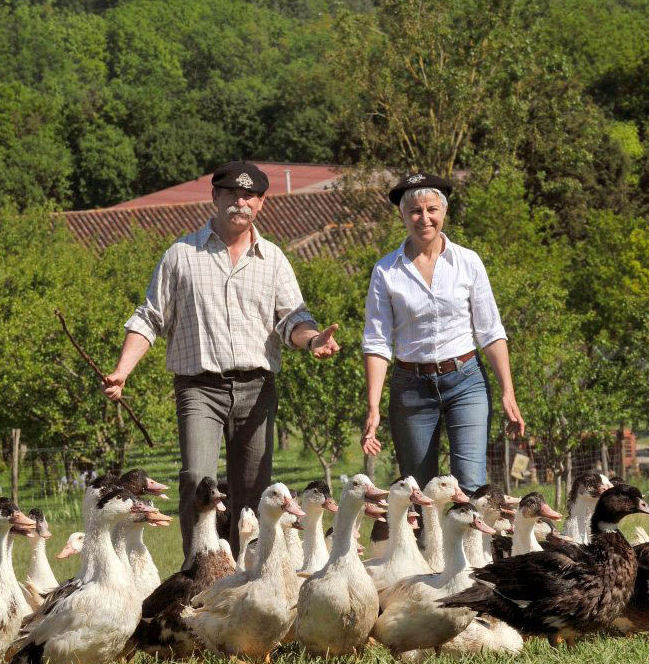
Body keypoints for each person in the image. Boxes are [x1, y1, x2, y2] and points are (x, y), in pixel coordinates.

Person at [102, 161, 340, 561]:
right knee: (198, 479)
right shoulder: (181, 255)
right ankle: (199, 569)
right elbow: (150, 317)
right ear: (215, 197)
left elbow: (293, 320)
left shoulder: (275, 260)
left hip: (257, 388)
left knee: (253, 491)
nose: (240, 202)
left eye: (249, 196)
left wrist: (312, 339)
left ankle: (247, 574)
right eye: (231, 193)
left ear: (262, 203)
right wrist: (123, 370)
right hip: (199, 388)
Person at [360, 172, 524, 494]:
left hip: (466, 381)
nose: (425, 218)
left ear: (444, 211)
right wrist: (373, 406)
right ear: (403, 216)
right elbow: (377, 342)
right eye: (415, 212)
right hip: (411, 388)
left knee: (471, 484)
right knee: (419, 490)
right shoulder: (385, 271)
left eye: (431, 209)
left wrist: (508, 391)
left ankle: (477, 546)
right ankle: (426, 544)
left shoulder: (468, 262)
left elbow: (490, 331)